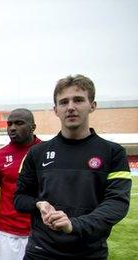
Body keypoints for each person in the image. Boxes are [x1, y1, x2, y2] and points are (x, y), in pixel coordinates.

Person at [14, 74, 132, 259]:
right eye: (63, 102)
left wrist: (74, 224)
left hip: (90, 253)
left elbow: (117, 204)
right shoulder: (37, 153)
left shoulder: (113, 152)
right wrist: (39, 203)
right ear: (56, 110)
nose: (70, 107)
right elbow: (20, 198)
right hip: (40, 252)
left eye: (78, 100)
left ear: (92, 105)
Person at [0, 108, 41, 260]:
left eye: (19, 123)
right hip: (9, 235)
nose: (12, 128)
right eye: (10, 124)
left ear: (33, 127)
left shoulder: (47, 151)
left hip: (42, 231)